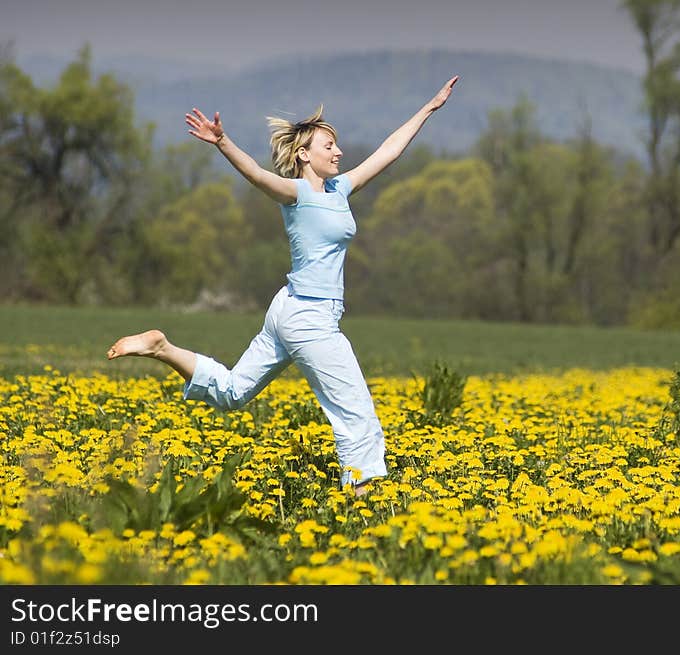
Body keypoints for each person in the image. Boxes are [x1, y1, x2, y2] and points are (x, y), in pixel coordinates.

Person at [107, 75, 459, 497]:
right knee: (356, 410)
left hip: (288, 310)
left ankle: (161, 347)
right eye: (329, 146)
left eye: (337, 145)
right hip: (308, 317)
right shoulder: (295, 194)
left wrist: (429, 107)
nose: (339, 152)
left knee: (233, 392)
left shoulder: (339, 189)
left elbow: (388, 151)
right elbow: (255, 174)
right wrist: (223, 143)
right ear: (304, 155)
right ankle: (365, 502)